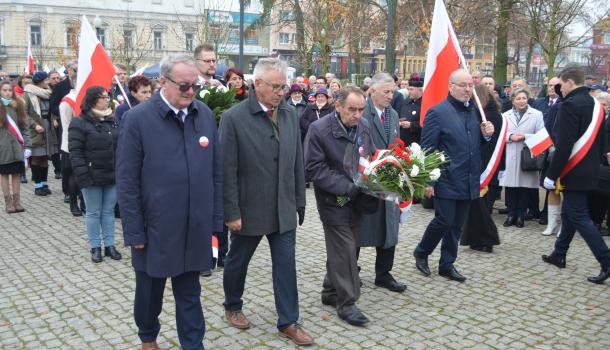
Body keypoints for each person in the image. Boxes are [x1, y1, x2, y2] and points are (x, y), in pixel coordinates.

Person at [117, 53, 223, 349]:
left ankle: (193, 344)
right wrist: (135, 231)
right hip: (156, 228)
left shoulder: (204, 115)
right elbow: (126, 181)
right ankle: (148, 336)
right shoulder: (137, 119)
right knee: (150, 291)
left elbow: (216, 173)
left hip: (194, 225)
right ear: (162, 82)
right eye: (184, 86)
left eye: (195, 86)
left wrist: (215, 221)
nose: (191, 92)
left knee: (190, 292)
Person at [219, 58, 314, 346]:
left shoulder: (288, 114)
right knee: (238, 261)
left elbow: (297, 161)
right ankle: (232, 304)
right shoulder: (234, 118)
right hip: (248, 210)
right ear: (256, 84)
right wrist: (231, 212)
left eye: (283, 86)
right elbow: (227, 170)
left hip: (283, 207)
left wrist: (300, 201)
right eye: (275, 86)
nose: (281, 92)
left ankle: (288, 321)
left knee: (286, 266)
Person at [413, 69, 494, 282]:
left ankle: (447, 264)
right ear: (451, 86)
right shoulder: (437, 112)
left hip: (468, 178)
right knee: (444, 220)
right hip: (446, 177)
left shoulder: (474, 111)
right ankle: (422, 252)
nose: (468, 89)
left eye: (470, 85)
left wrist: (486, 136)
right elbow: (427, 149)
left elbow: (475, 144)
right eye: (463, 85)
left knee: (457, 225)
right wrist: (428, 180)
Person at [304, 86, 375, 326]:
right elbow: (314, 168)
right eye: (352, 110)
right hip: (332, 200)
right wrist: (347, 187)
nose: (357, 115)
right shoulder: (318, 129)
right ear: (337, 106)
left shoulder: (364, 126)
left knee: (350, 246)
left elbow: (370, 156)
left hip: (358, 199)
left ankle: (330, 290)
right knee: (344, 249)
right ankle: (347, 303)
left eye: (361, 110)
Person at [542, 67, 610, 284]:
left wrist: (552, 175)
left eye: (560, 84)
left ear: (569, 82)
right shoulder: (595, 105)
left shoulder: (570, 105)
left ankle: (606, 260)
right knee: (571, 213)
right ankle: (559, 253)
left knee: (578, 215)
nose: (558, 89)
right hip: (590, 168)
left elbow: (564, 145)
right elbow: (599, 143)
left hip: (574, 169)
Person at [359, 72, 407, 292]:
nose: (390, 96)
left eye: (393, 92)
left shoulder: (394, 114)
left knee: (389, 226)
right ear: (372, 91)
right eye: (386, 92)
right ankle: (351, 269)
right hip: (364, 180)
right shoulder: (361, 113)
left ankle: (384, 273)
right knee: (359, 227)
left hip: (389, 182)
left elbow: (396, 145)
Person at [69, 86, 121, 263]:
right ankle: (95, 246)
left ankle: (110, 245)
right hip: (91, 176)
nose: (107, 99)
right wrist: (83, 176)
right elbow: (75, 152)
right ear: (92, 100)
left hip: (112, 175)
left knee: (108, 211)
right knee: (93, 212)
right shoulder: (79, 122)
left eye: (107, 96)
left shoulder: (113, 119)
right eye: (103, 97)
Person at [461, 84, 503, 253]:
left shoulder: (483, 115)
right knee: (480, 205)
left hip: (483, 165)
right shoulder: (496, 114)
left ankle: (487, 237)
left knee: (480, 206)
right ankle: (476, 238)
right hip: (491, 163)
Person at [499, 88, 545, 228]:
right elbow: (500, 134)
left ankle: (520, 216)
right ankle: (511, 214)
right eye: (518, 98)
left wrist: (526, 137)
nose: (521, 101)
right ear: (512, 100)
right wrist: (510, 137)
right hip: (510, 154)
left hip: (527, 155)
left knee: (525, 187)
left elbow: (541, 134)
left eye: (524, 98)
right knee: (511, 187)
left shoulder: (536, 114)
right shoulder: (505, 115)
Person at [533, 77, 562, 228]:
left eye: (555, 86)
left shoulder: (563, 104)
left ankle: (547, 213)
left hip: (556, 148)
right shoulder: (539, 102)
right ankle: (537, 210)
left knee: (552, 181)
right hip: (541, 144)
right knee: (542, 179)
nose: (551, 88)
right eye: (549, 85)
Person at [23, 71, 57, 196]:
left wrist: (54, 119)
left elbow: (52, 109)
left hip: (48, 128)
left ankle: (44, 183)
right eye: (46, 80)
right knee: (37, 157)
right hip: (36, 129)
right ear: (40, 81)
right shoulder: (27, 94)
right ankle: (37, 186)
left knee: (45, 158)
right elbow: (23, 113)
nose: (48, 82)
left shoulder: (48, 93)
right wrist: (34, 125)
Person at [0, 82, 28, 213]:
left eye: (9, 90)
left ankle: (17, 201)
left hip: (16, 145)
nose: (7, 93)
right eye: (4, 90)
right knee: (4, 174)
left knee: (16, 173)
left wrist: (27, 143)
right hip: (2, 146)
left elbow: (24, 125)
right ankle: (8, 203)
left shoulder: (18, 105)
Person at [59, 75, 83, 217]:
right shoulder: (67, 101)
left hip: (87, 142)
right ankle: (73, 203)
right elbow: (67, 126)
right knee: (74, 175)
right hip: (72, 143)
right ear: (74, 81)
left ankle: (84, 203)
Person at [399, 75, 423, 146]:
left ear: (420, 90)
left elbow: (427, 124)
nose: (409, 92)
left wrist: (411, 125)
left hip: (416, 142)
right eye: (408, 89)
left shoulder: (425, 104)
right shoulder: (406, 101)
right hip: (403, 140)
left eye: (411, 89)